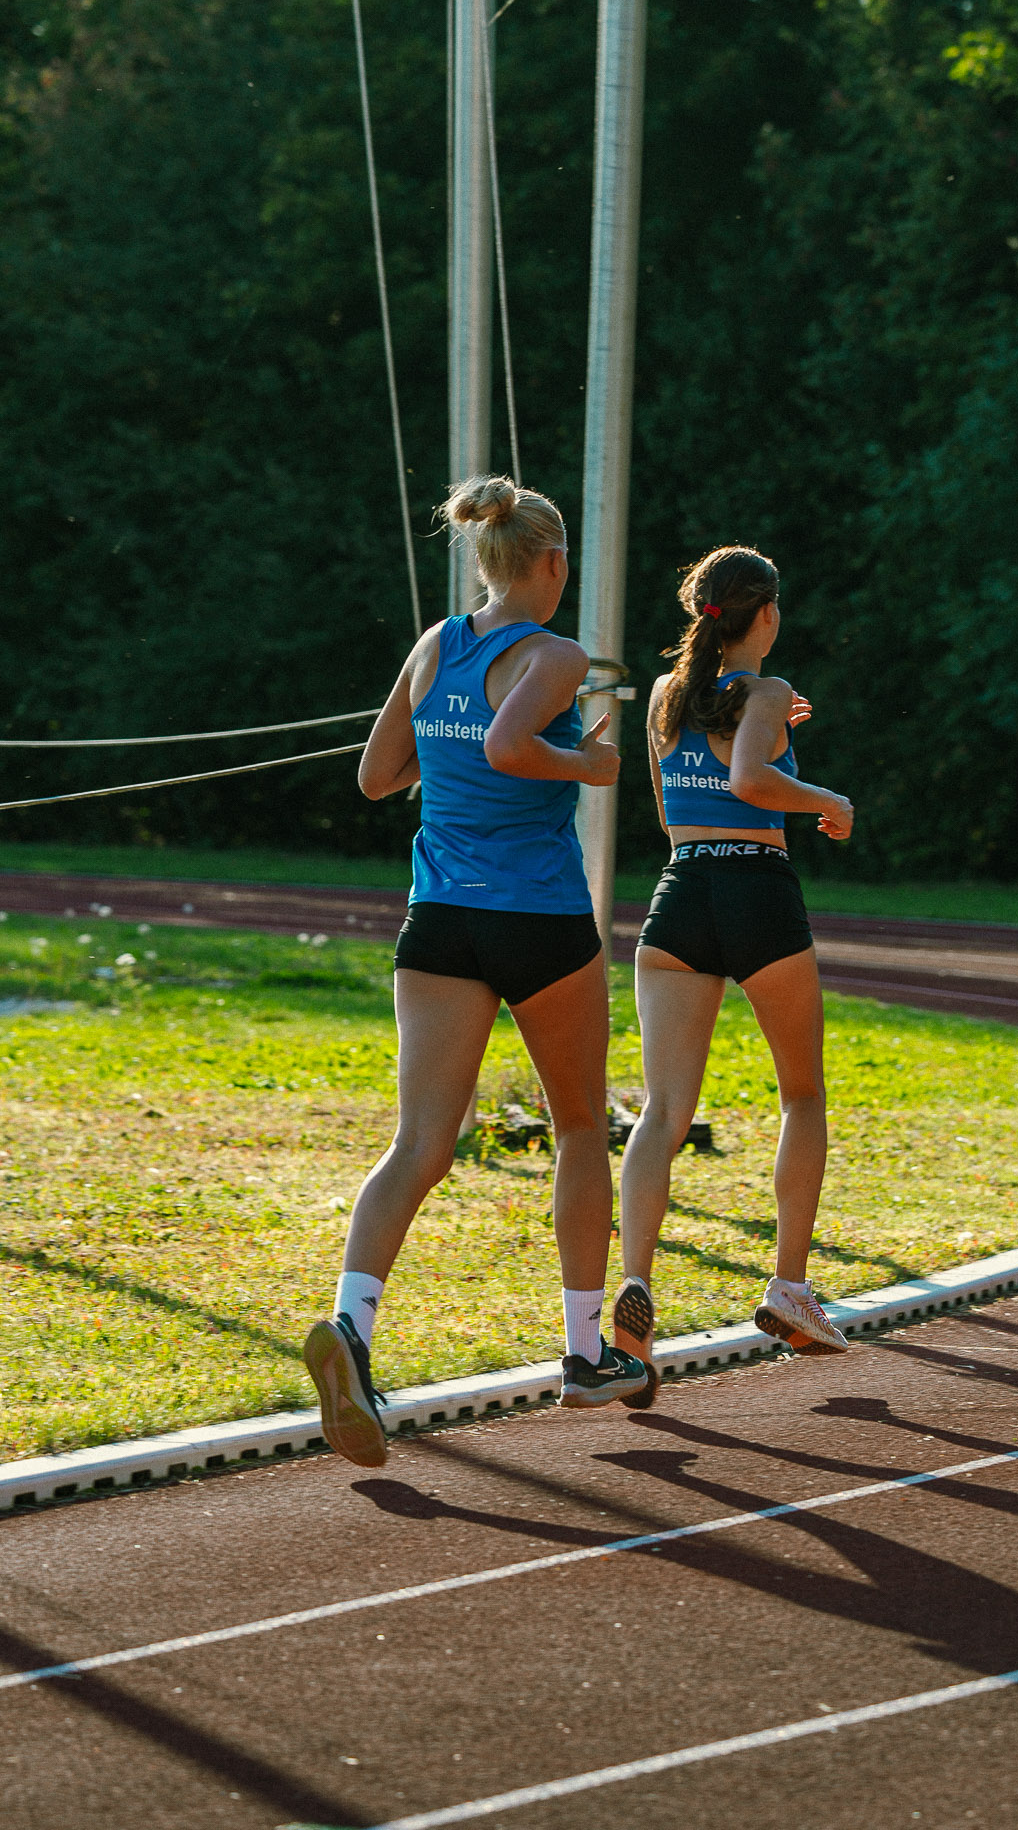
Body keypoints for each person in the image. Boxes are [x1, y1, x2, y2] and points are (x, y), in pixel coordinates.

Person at [304, 476, 650, 1468]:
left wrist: (448, 754)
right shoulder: (556, 654)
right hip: (537, 918)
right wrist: (585, 765)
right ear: (552, 562)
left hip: (440, 922)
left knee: (419, 1143)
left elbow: (377, 775)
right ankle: (584, 1353)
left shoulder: (434, 644)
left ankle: (351, 1328)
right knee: (578, 1125)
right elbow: (508, 744)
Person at [611, 544, 856, 1381]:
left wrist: (769, 738)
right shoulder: (768, 691)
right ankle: (789, 1288)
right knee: (801, 1094)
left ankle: (634, 1284)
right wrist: (824, 798)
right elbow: (749, 780)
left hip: (680, 893)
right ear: (767, 613)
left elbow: (675, 805)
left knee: (661, 1112)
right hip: (756, 892)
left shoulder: (664, 695)